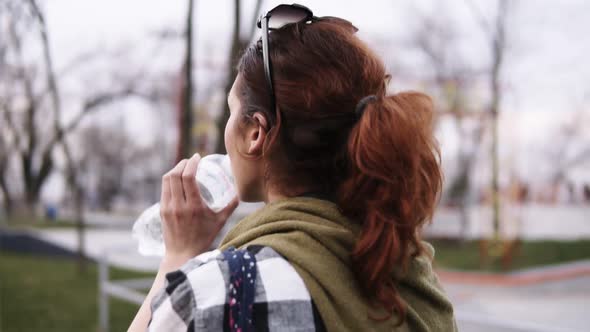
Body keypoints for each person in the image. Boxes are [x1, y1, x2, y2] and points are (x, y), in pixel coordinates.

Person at [129, 3, 456, 331]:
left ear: (256, 133)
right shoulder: (413, 282)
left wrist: (178, 256)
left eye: (232, 110)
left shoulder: (223, 291)